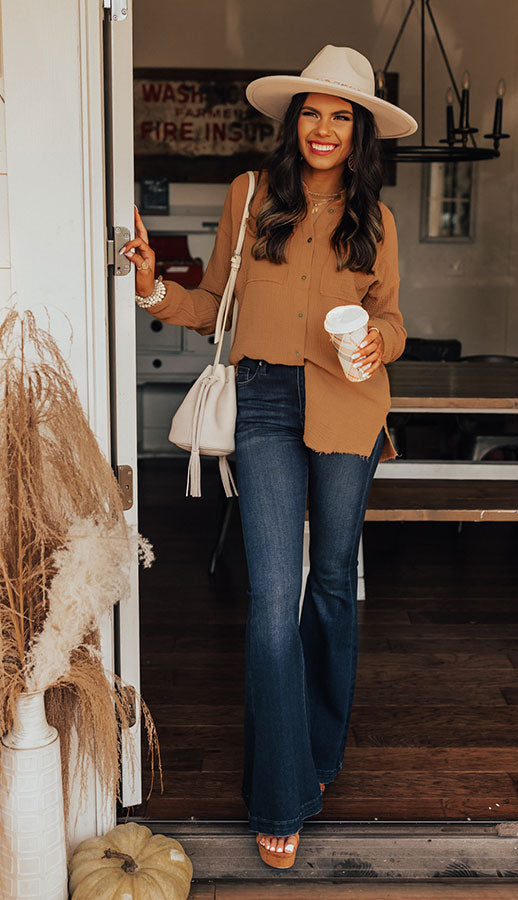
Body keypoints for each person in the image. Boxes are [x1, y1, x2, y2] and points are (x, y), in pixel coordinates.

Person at [122, 44, 417, 869]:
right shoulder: (249, 196)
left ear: (360, 133)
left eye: (342, 115)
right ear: (295, 123)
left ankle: (320, 752)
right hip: (262, 405)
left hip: (350, 408)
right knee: (271, 599)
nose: (324, 128)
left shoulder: (377, 222)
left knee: (330, 587)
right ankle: (280, 794)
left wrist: (375, 350)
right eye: (312, 112)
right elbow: (216, 299)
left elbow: (392, 322)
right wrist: (152, 286)